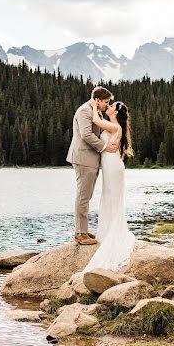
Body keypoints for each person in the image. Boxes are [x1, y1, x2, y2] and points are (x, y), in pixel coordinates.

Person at [83, 99, 135, 272]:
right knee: (108, 198)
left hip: (113, 167)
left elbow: (96, 121)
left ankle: (113, 233)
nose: (109, 106)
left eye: (111, 106)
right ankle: (107, 231)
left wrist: (92, 103)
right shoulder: (111, 125)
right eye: (108, 104)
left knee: (112, 199)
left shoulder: (114, 127)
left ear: (116, 112)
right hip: (111, 167)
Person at [66, 86, 119, 245]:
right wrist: (105, 146)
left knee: (86, 195)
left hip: (90, 159)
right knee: (83, 195)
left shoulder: (94, 110)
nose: (107, 105)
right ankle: (80, 234)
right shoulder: (85, 111)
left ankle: (83, 229)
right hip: (83, 158)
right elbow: (86, 134)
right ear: (97, 100)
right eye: (106, 102)